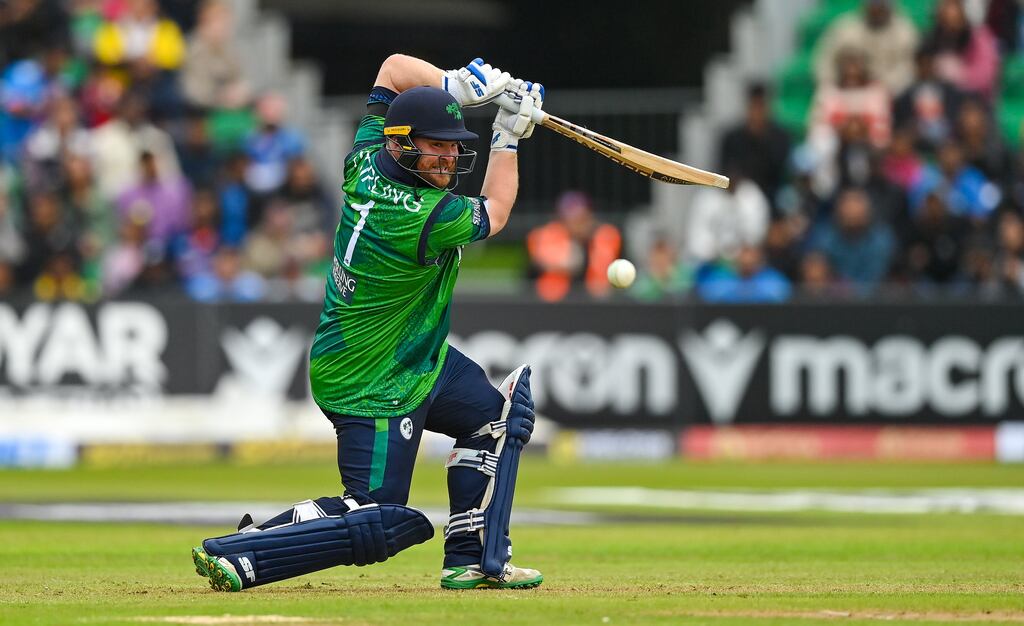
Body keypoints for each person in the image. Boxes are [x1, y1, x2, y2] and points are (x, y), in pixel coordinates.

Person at [191, 55, 546, 592]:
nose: (451, 156)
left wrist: (454, 85)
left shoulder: (365, 158)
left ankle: (471, 558)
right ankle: (250, 550)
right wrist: (507, 135)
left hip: (411, 355)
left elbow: (391, 68)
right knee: (378, 516)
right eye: (439, 145)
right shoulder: (423, 216)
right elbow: (495, 212)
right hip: (370, 380)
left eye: (455, 144)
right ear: (403, 144)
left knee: (496, 420)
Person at [526, 190, 621, 301]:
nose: (576, 222)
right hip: (553, 300)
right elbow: (545, 260)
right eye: (571, 217)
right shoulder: (548, 234)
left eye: (581, 218)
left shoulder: (605, 234)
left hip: (596, 299)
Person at [813, 0, 919, 95]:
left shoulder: (904, 31)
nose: (877, 8)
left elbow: (910, 68)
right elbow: (823, 61)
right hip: (844, 94)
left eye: (881, 4)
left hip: (891, 97)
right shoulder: (846, 28)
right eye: (873, 4)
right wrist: (833, 87)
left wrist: (883, 89)